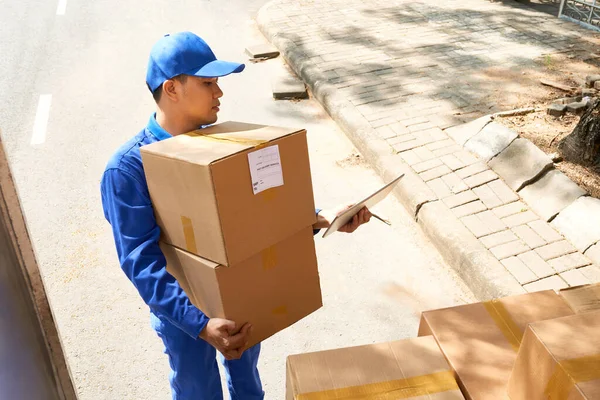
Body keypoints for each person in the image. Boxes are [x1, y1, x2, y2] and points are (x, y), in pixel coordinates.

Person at [100, 31, 372, 400]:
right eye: (208, 83)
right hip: (184, 313)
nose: (220, 93)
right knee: (198, 390)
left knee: (247, 385)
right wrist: (200, 325)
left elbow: (255, 213)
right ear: (172, 89)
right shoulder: (128, 169)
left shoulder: (222, 146)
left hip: (240, 296)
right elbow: (141, 262)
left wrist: (323, 217)